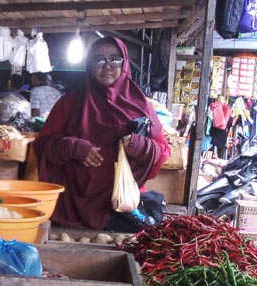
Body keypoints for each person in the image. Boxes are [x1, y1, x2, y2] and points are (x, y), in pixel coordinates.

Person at [34, 37, 169, 231]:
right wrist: (73, 147)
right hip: (72, 207)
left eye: (115, 59)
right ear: (89, 65)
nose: (107, 66)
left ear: (124, 63)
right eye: (99, 59)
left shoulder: (140, 104)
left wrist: (139, 145)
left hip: (121, 204)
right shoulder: (70, 103)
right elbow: (42, 145)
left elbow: (162, 151)